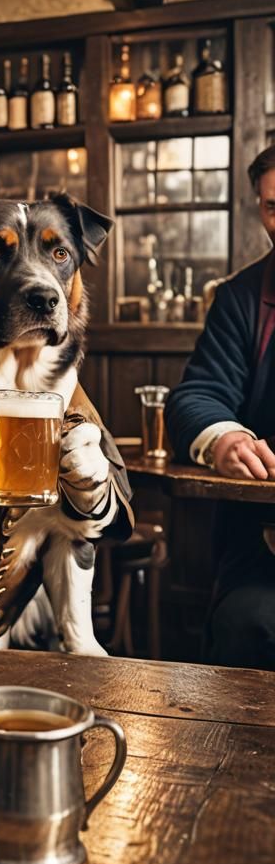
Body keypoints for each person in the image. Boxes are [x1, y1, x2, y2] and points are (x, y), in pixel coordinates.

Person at [166, 144, 275, 670]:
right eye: (274, 206)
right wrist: (224, 437)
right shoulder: (242, 298)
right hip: (266, 554)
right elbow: (197, 394)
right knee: (245, 625)